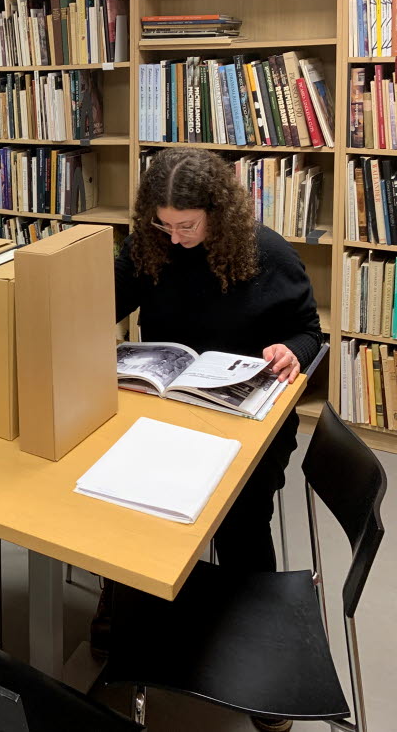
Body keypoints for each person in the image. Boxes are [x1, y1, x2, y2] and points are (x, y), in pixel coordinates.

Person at [109, 147, 322, 732]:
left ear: (217, 215)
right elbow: (107, 299)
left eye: (187, 226)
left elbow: (308, 331)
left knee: (241, 521)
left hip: (241, 419)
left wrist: (291, 353)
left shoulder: (266, 253)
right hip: (164, 404)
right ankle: (122, 611)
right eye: (163, 223)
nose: (174, 239)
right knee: (121, 497)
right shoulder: (151, 243)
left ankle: (264, 661)